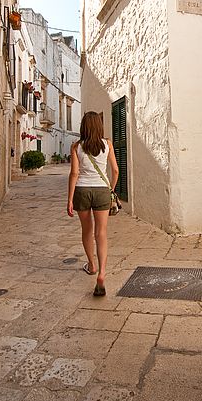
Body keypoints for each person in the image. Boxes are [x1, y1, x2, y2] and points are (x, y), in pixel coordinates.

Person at [67, 111, 119, 296]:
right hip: (101, 191)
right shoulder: (108, 144)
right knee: (101, 233)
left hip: (82, 190)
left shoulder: (76, 147)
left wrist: (70, 199)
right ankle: (102, 274)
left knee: (87, 232)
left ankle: (92, 265)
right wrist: (111, 190)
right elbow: (115, 170)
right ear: (99, 126)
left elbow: (74, 174)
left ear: (83, 127)